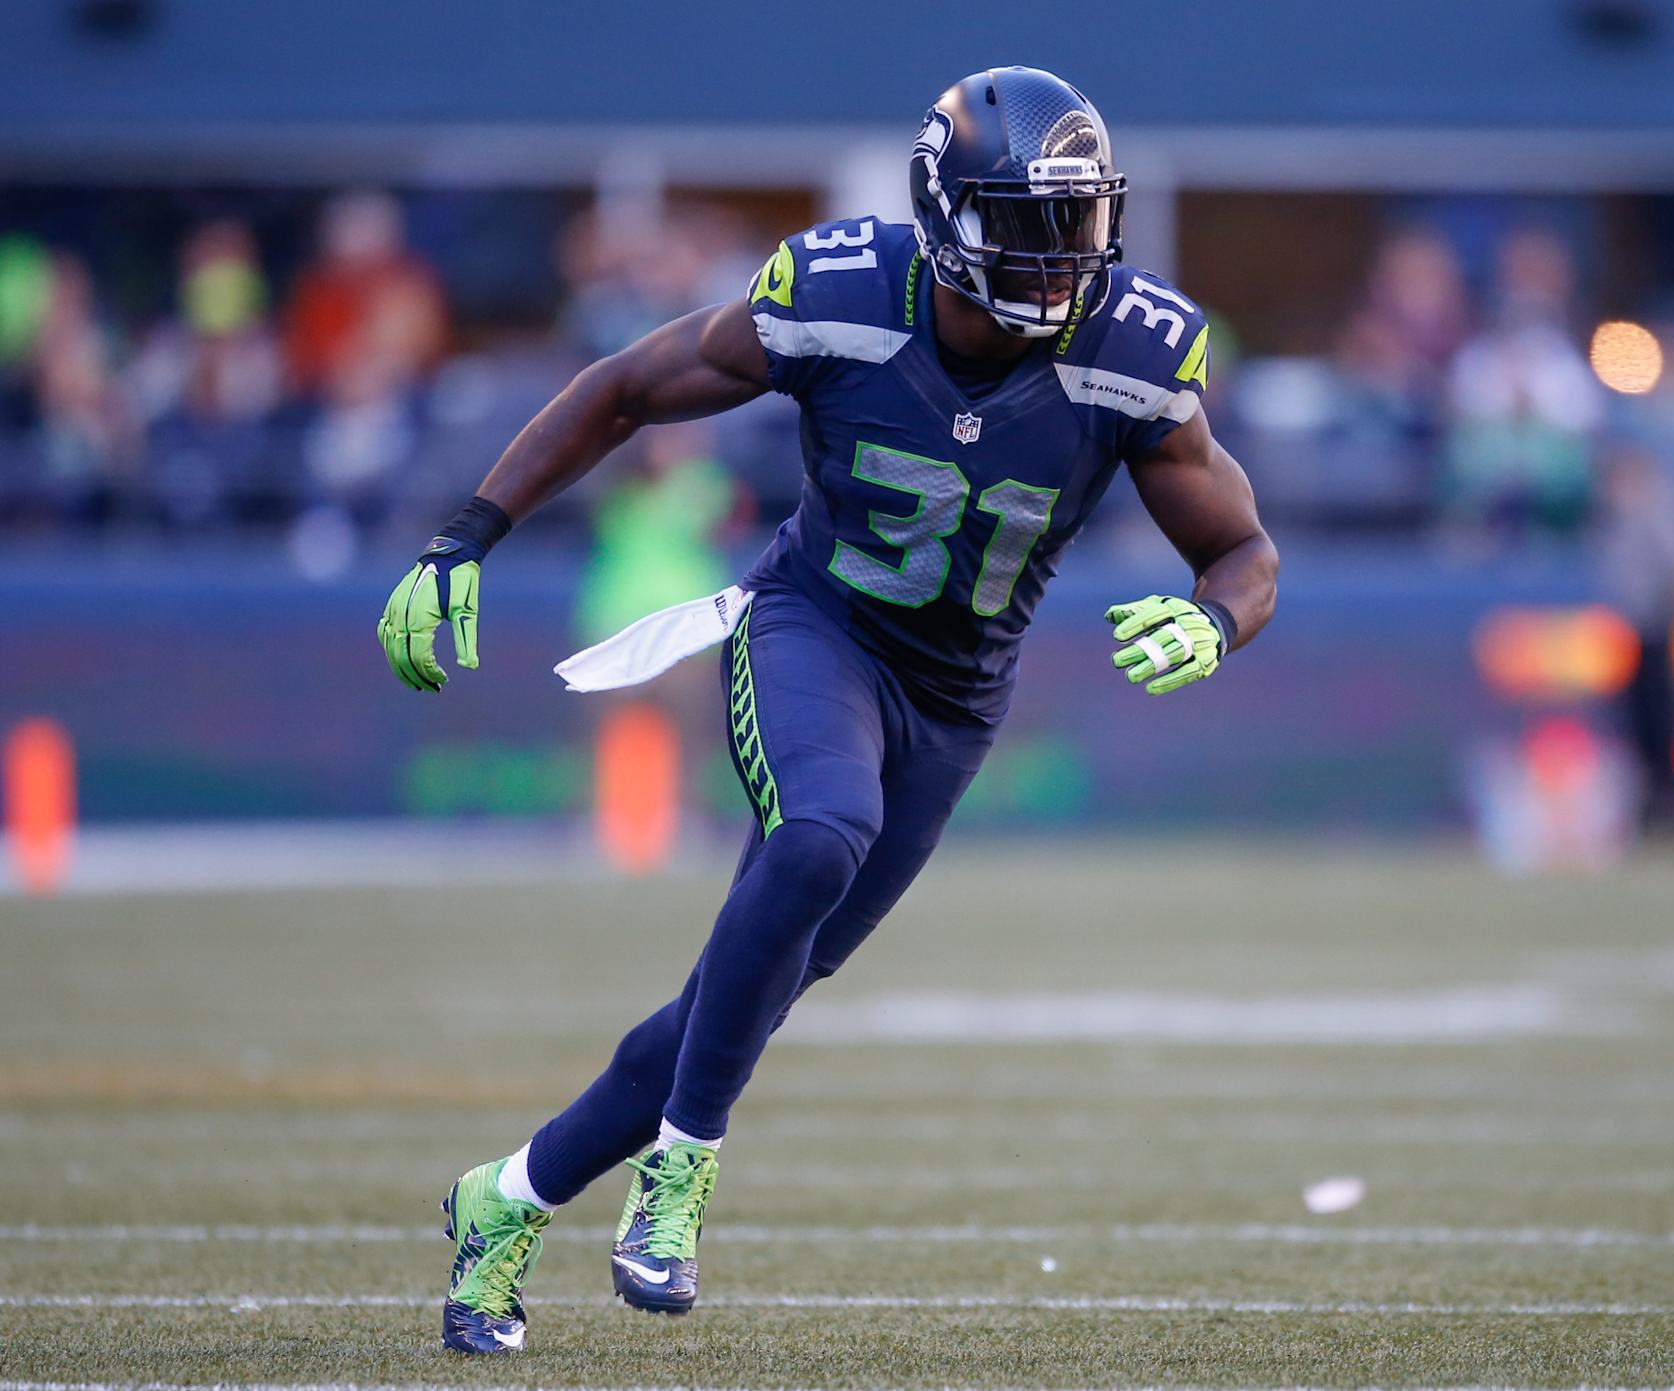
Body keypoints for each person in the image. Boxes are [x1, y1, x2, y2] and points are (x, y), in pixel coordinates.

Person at [377, 66, 1277, 1354]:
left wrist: (1214, 619)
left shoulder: (1129, 349)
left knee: (736, 1001)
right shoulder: (844, 297)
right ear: (945, 215)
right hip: (818, 626)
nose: (1066, 255)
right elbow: (629, 385)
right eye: (1031, 221)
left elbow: (1244, 550)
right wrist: (466, 534)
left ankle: (505, 1201)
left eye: (1081, 220)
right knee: (814, 835)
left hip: (959, 702)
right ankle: (679, 1178)